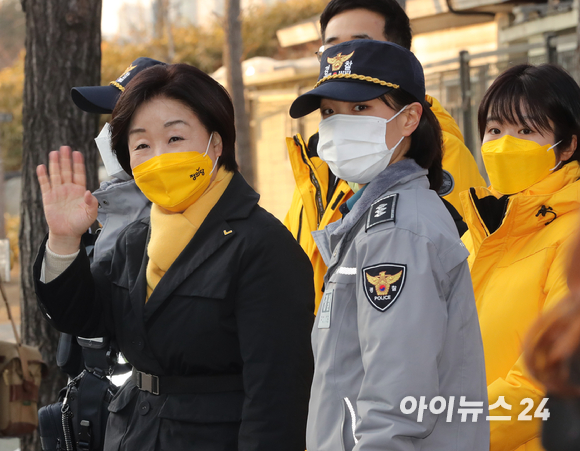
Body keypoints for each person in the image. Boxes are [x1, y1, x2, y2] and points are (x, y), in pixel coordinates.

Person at [33, 63, 315, 451]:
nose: (159, 156)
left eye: (176, 137)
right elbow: (83, 317)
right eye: (142, 145)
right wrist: (64, 240)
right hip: (135, 433)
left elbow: (277, 397)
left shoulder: (261, 245)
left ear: (216, 145)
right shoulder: (136, 241)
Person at [289, 39, 489, 451]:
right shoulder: (370, 216)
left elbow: (396, 402)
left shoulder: (397, 231)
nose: (340, 124)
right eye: (329, 112)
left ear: (409, 118)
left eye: (360, 108)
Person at [284, 0, 486, 312]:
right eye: (332, 48)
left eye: (359, 46)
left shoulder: (442, 154)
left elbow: (464, 278)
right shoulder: (317, 158)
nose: (343, 59)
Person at [460, 63, 580, 451]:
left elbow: (545, 377)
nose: (505, 143)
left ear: (567, 146)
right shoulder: (476, 233)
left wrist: (447, 430)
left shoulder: (572, 237)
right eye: (495, 130)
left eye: (526, 131)